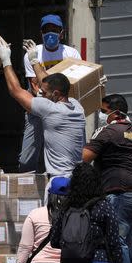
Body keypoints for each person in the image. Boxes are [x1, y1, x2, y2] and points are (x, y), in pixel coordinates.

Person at [82, 94, 132, 263]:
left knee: (116, 241)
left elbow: (84, 157)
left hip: (114, 191)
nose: (101, 115)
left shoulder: (107, 131)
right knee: (128, 241)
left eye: (103, 110)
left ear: (114, 112)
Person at [0, 39, 86, 180]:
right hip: (77, 178)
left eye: (44, 93)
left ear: (56, 94)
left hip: (59, 180)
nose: (41, 95)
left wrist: (6, 60)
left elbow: (15, 90)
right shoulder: (77, 107)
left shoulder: (50, 109)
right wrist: (34, 61)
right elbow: (49, 83)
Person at [18, 14, 82, 173]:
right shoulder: (33, 54)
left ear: (62, 33)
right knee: (27, 158)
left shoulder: (71, 53)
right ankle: (26, 187)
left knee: (68, 153)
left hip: (63, 110)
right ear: (41, 33)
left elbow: (75, 82)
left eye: (55, 30)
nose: (50, 33)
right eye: (47, 30)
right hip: (39, 108)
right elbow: (34, 85)